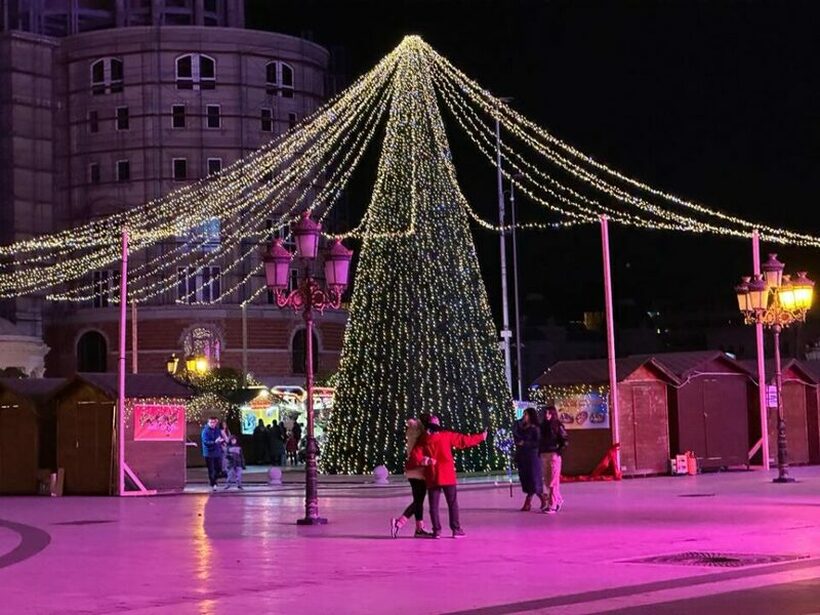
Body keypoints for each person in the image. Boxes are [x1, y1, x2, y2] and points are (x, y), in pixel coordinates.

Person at [410, 415, 487, 539]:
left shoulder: (423, 439)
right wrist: (481, 437)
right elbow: (464, 440)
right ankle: (456, 529)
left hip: (433, 475)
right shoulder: (446, 435)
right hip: (447, 475)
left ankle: (437, 531)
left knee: (433, 506)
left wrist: (426, 460)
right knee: (452, 503)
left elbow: (415, 456)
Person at [390, 417, 433, 538]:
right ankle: (399, 522)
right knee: (419, 501)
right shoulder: (421, 437)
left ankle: (419, 528)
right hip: (419, 471)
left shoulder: (412, 435)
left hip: (412, 472)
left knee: (418, 500)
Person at [514, 407, 547, 511]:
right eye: (523, 414)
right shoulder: (522, 427)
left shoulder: (535, 428)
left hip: (532, 457)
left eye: (526, 414)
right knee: (527, 479)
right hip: (523, 456)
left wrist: (525, 443)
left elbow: (538, 443)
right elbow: (516, 434)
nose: (524, 416)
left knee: (534, 479)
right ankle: (539, 498)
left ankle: (531, 501)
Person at [539, 406, 569, 514]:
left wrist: (558, 451)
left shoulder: (557, 426)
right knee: (547, 481)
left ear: (553, 414)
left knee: (553, 481)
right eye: (545, 413)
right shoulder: (541, 426)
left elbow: (564, 439)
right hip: (544, 454)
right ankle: (558, 500)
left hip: (553, 454)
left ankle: (552, 505)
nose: (547, 415)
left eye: (549, 413)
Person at [201, 417, 225, 490]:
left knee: (219, 469)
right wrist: (215, 442)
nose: (212, 424)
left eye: (214, 422)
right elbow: (205, 442)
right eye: (211, 422)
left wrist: (221, 441)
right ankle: (213, 483)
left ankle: (214, 479)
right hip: (209, 453)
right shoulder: (205, 431)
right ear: (208, 423)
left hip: (217, 452)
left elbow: (221, 438)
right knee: (211, 469)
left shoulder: (217, 430)